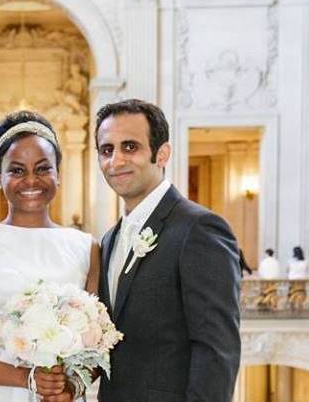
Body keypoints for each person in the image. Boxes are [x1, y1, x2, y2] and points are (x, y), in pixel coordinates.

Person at [0, 110, 101, 401]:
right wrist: (26, 378)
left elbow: (98, 344)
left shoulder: (86, 247)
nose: (31, 180)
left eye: (42, 168)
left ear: (58, 175)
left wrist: (71, 387)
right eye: (16, 170)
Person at [95, 99, 241, 402]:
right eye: (107, 150)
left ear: (162, 153)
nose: (116, 160)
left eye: (130, 147)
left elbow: (216, 350)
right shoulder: (109, 239)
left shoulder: (200, 229)